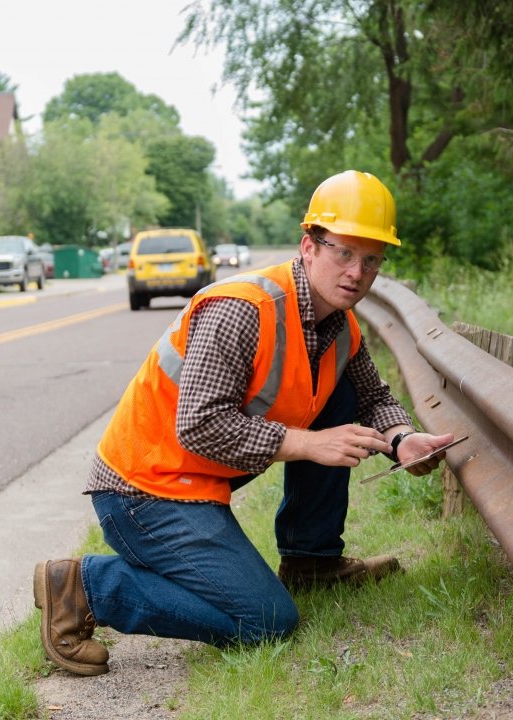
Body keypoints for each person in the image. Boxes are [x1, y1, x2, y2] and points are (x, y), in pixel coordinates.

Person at [33, 170, 455, 676]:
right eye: (343, 252)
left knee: (339, 392)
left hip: (197, 484)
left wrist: (402, 438)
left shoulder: (340, 327)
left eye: (371, 260)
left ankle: (312, 563)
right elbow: (200, 425)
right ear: (308, 247)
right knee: (267, 620)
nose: (357, 272)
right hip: (143, 493)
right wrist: (307, 444)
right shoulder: (244, 310)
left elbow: (371, 398)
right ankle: (86, 587)